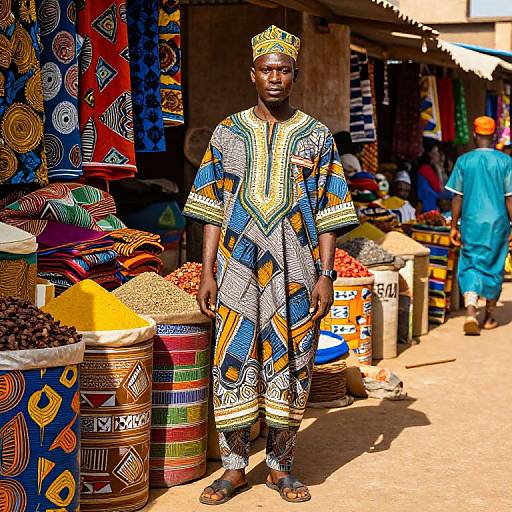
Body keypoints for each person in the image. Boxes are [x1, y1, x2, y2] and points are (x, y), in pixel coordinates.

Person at [183, 25, 358, 505]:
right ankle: (234, 468)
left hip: (297, 271)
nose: (275, 77)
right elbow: (211, 207)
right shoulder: (226, 133)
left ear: (294, 75)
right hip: (237, 267)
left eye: (283, 69)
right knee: (231, 362)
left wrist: (326, 275)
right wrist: (207, 271)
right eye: (267, 69)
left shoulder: (317, 136)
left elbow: (329, 210)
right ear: (252, 74)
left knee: (293, 363)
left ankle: (280, 468)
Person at [446, 116, 512, 335]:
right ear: (493, 136)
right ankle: (489, 316)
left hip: (471, 222)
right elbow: (510, 198)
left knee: (471, 263)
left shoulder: (464, 161)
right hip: (498, 223)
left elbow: (457, 197)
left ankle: (471, 312)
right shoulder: (505, 162)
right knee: (494, 265)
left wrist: (453, 225)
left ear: (474, 135)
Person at [417, 142, 443, 213]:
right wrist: (438, 169)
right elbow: (439, 189)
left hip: (430, 206)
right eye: (436, 152)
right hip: (426, 208)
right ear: (429, 154)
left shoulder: (428, 169)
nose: (438, 155)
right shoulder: (425, 169)